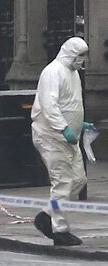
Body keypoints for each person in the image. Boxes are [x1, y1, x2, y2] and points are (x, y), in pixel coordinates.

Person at [31, 36, 94, 246]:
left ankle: (45, 217)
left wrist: (79, 124)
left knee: (77, 180)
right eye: (80, 55)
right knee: (63, 183)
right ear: (70, 53)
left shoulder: (73, 74)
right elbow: (50, 106)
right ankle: (59, 230)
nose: (82, 60)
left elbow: (71, 103)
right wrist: (64, 127)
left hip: (69, 137)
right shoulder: (53, 72)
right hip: (52, 136)